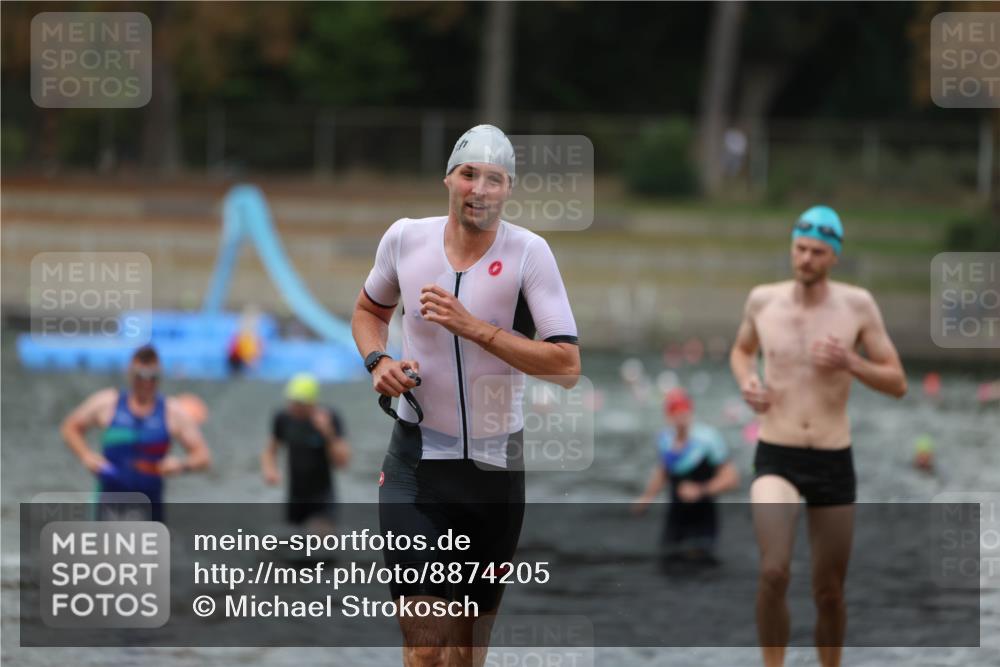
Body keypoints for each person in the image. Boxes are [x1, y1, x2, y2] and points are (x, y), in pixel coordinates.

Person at [351, 124, 580, 666]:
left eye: (494, 179)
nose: (479, 189)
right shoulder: (405, 239)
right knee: (426, 648)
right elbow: (369, 312)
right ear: (448, 179)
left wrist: (475, 328)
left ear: (508, 189)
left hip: (494, 473)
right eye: (469, 174)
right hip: (416, 464)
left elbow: (567, 365)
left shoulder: (529, 254)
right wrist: (378, 360)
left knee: (466, 652)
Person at [729, 205, 907, 667]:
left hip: (832, 458)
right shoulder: (762, 300)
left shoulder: (858, 305)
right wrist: (747, 381)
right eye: (800, 248)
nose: (805, 258)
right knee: (773, 572)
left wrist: (852, 362)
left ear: (835, 258)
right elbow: (742, 350)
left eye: (817, 252)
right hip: (776, 455)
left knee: (829, 593)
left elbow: (898, 382)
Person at [60, 344, 212, 522]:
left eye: (152, 377)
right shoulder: (108, 403)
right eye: (141, 376)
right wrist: (85, 455)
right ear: (130, 373)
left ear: (160, 375)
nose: (146, 382)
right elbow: (70, 427)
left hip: (149, 506)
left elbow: (203, 457)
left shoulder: (172, 411)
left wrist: (181, 465)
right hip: (109, 502)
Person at [633, 388, 739, 566]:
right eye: (675, 413)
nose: (680, 418)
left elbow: (731, 478)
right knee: (668, 562)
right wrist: (646, 499)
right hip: (675, 517)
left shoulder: (708, 440)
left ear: (690, 412)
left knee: (700, 566)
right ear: (668, 416)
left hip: (703, 516)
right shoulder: (665, 439)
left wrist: (700, 490)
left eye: (684, 412)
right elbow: (663, 470)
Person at [261, 372, 350, 529]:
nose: (294, 407)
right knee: (293, 543)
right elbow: (270, 450)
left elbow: (342, 461)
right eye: (291, 402)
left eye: (299, 404)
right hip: (295, 497)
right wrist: (270, 470)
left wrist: (327, 433)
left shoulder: (329, 418)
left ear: (312, 403)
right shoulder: (283, 418)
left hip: (323, 498)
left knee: (320, 539)